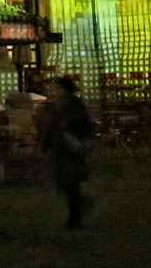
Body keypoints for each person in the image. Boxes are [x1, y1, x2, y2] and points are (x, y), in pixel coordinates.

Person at [42, 76, 95, 228]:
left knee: (71, 182)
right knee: (62, 182)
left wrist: (84, 143)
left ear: (66, 90)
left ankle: (74, 217)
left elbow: (84, 125)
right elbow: (52, 126)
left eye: (58, 89)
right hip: (61, 148)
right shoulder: (57, 106)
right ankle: (82, 204)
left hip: (72, 148)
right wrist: (47, 143)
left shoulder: (75, 105)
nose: (55, 92)